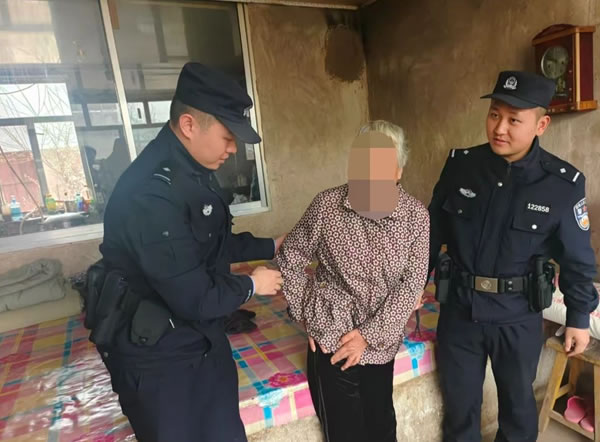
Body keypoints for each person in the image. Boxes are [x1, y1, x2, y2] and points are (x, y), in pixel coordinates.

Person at [98, 62, 284, 442]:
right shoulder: (151, 194)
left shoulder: (191, 171)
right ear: (188, 125)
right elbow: (194, 297)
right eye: (227, 136)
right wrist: (252, 285)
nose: (233, 149)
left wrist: (271, 246)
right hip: (161, 361)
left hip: (200, 342)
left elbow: (210, 243)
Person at [428, 70, 599, 441]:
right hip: (459, 312)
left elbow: (577, 259)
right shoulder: (461, 166)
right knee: (459, 413)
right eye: (494, 115)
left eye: (513, 120)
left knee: (518, 415)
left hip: (517, 316)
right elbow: (430, 234)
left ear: (541, 125)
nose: (499, 128)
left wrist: (579, 317)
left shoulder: (561, 184)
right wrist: (410, 287)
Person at [276, 120, 429, 442]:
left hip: (381, 340)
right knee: (343, 432)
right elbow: (290, 257)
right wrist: (307, 314)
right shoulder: (326, 206)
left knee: (381, 426)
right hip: (331, 335)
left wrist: (367, 336)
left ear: (398, 171)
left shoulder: (415, 217)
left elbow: (412, 284)